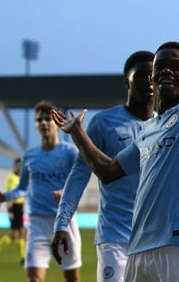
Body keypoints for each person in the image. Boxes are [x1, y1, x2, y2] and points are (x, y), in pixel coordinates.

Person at [50, 0, 179, 282]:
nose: (164, 71)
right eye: (159, 67)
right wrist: (77, 132)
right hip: (138, 249)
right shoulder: (147, 131)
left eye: (176, 66)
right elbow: (107, 170)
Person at [51, 51, 155, 282]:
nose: (148, 80)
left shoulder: (164, 125)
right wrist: (62, 222)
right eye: (140, 75)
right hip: (115, 239)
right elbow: (79, 174)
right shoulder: (104, 122)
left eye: (153, 75)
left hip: (156, 240)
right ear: (126, 81)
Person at [0, 100, 82, 282]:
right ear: (36, 125)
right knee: (34, 278)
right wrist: (6, 196)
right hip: (37, 224)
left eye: (47, 119)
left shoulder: (70, 152)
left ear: (57, 124)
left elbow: (80, 183)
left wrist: (65, 193)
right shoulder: (29, 156)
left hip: (64, 222)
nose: (43, 123)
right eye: (39, 120)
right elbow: (23, 189)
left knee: (72, 278)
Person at [0, 157, 26, 265]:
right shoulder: (12, 178)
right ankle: (22, 258)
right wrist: (10, 211)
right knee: (19, 233)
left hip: (19, 207)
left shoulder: (21, 178)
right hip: (14, 208)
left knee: (16, 233)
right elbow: (9, 195)